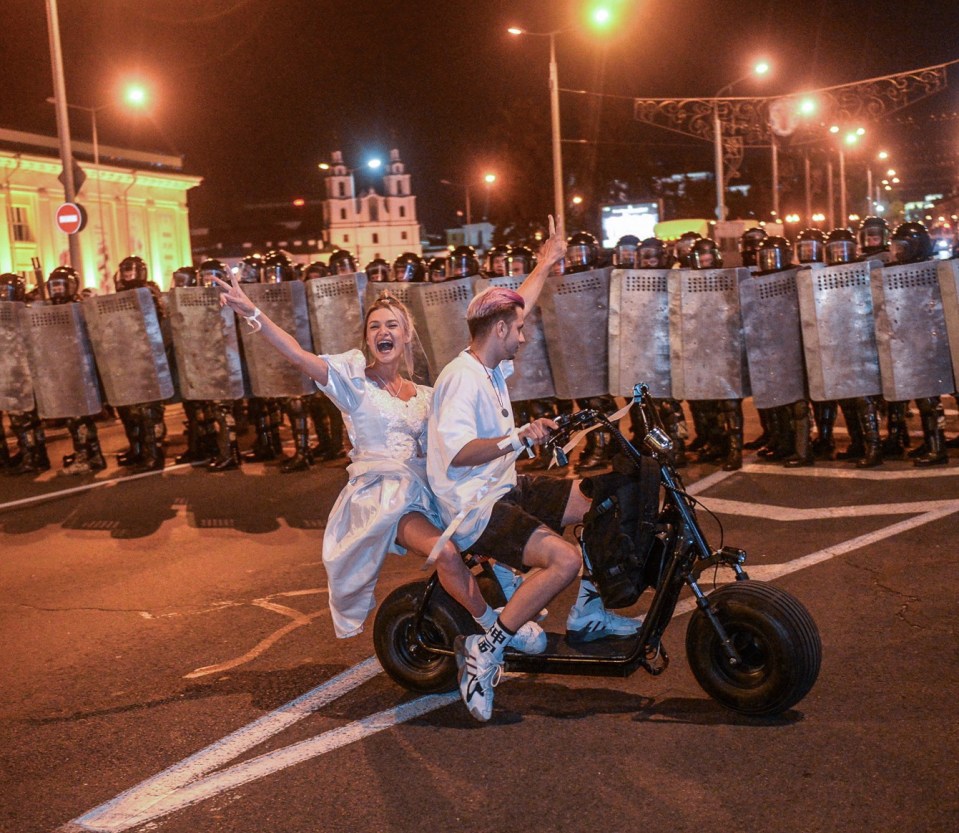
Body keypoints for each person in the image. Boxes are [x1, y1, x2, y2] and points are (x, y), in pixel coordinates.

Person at [210, 269, 546, 649]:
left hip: (432, 489)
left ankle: (510, 590)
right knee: (446, 551)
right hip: (387, 497)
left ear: (406, 335)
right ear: (368, 338)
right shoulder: (354, 385)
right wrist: (252, 311)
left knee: (492, 521)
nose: (382, 332)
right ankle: (493, 631)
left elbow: (506, 320)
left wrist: (545, 265)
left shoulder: (425, 393)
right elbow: (298, 355)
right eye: (374, 327)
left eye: (391, 325)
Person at [427, 218, 646, 722]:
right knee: (563, 561)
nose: (524, 338)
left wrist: (546, 262)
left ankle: (589, 613)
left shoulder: (488, 362)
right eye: (518, 329)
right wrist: (519, 437)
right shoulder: (462, 379)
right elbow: (459, 452)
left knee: (600, 501)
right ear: (499, 331)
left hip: (503, 486)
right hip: (474, 508)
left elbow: (516, 301)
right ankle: (487, 650)